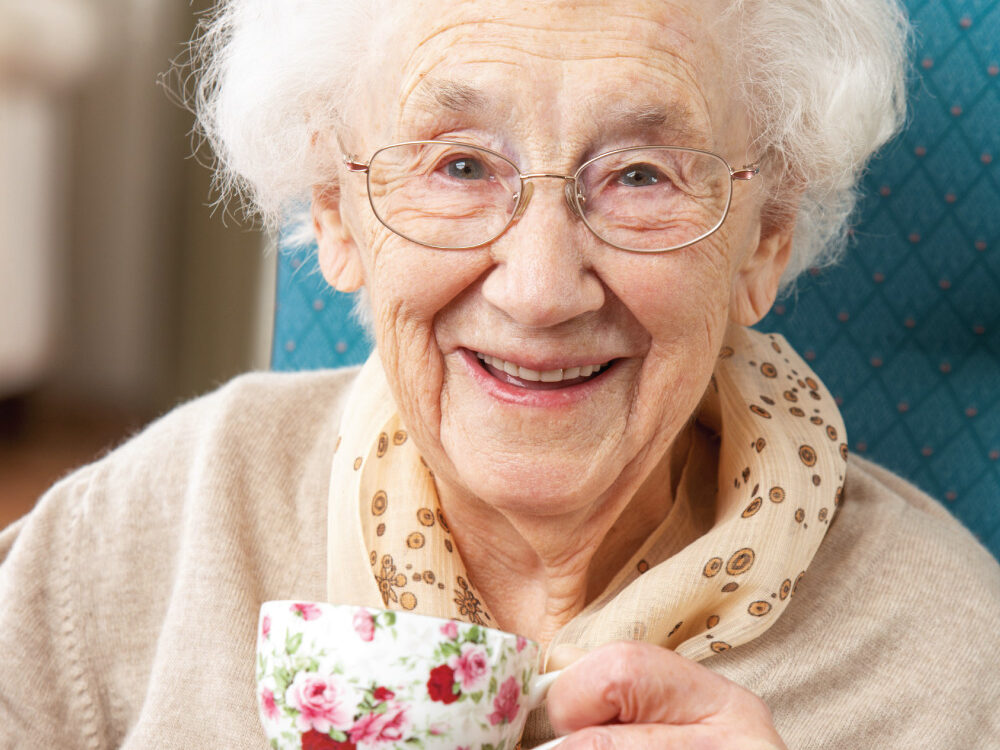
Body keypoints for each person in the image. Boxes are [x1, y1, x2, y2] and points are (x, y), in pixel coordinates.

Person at [2, 0, 999, 747]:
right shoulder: (163, 523)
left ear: (764, 241)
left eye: (640, 174)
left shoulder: (947, 667)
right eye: (461, 166)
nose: (539, 289)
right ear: (334, 212)